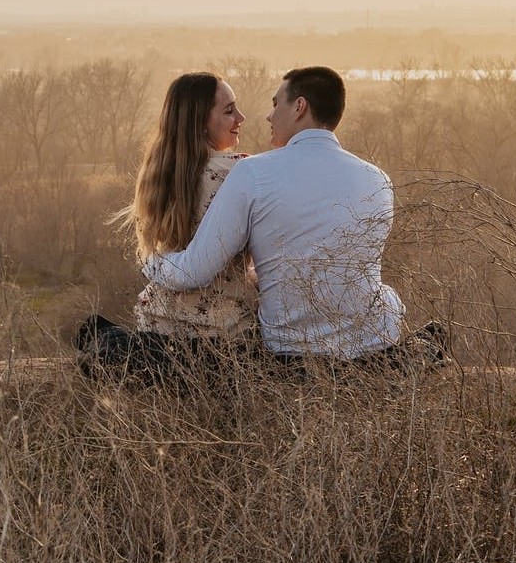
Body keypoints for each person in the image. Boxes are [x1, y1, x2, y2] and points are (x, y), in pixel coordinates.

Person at [143, 66, 445, 372]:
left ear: (299, 107)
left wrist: (150, 261)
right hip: (372, 340)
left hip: (291, 347)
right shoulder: (378, 179)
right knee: (387, 297)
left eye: (276, 105)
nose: (268, 117)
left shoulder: (253, 174)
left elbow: (193, 271)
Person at [75, 72, 258, 381]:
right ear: (200, 121)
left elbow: (161, 251)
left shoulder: (163, 173)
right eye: (228, 111)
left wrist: (153, 265)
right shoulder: (241, 172)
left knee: (100, 333)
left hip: (157, 323)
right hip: (223, 333)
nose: (240, 117)